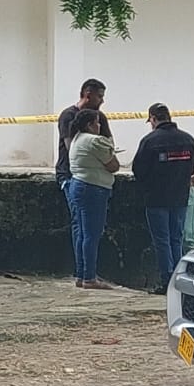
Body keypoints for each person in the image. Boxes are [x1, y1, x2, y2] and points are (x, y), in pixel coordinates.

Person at [132, 103, 194, 293]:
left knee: (162, 241)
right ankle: (179, 279)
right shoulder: (187, 139)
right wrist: (191, 180)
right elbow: (193, 166)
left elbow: (138, 170)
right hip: (180, 197)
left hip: (156, 198)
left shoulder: (149, 141)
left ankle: (167, 280)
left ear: (154, 119)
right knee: (177, 239)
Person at [58, 78, 110, 281]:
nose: (102, 101)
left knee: (87, 228)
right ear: (87, 95)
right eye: (100, 97)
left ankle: (85, 273)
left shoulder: (101, 117)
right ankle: (84, 273)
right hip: (72, 176)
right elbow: (73, 149)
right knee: (81, 226)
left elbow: (108, 142)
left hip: (96, 177)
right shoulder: (68, 116)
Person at [67, 108, 119, 289]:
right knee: (92, 234)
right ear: (90, 124)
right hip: (94, 188)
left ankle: (82, 274)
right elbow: (113, 166)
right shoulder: (95, 141)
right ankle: (90, 277)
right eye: (97, 122)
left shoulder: (76, 138)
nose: (99, 126)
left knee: (82, 233)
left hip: (78, 185)